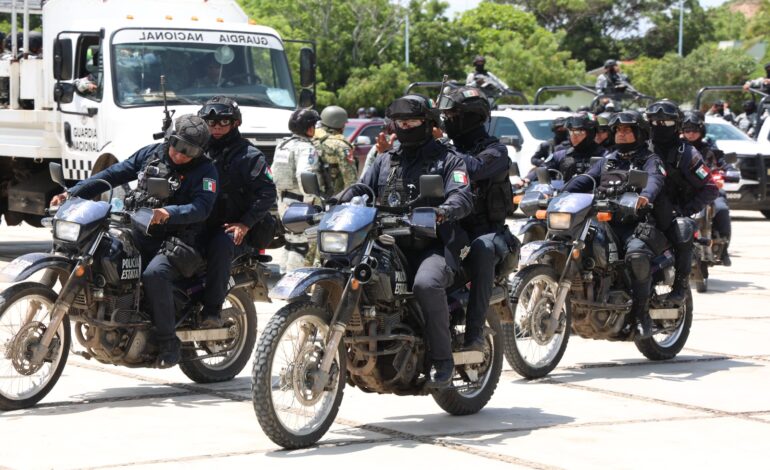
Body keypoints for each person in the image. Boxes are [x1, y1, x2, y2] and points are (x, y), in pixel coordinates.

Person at [50, 115, 218, 367]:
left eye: (190, 151)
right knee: (103, 255)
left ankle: (168, 342)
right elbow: (113, 174)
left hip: (179, 238)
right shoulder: (152, 154)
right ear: (170, 138)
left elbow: (202, 207)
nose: (180, 154)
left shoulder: (206, 171)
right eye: (178, 145)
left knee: (154, 275)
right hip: (138, 230)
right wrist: (71, 193)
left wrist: (170, 213)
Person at [349, 94, 473, 388]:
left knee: (425, 285)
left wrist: (443, 212)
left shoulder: (447, 159)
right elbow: (363, 188)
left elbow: (462, 195)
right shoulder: (385, 159)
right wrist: (340, 198)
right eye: (400, 121)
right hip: (388, 242)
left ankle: (443, 360)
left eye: (412, 121)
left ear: (428, 123)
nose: (405, 126)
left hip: (433, 244)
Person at [564, 111, 666, 338]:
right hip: (605, 220)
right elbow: (587, 179)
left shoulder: (650, 159)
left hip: (635, 222)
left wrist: (645, 196)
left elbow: (655, 180)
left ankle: (641, 315)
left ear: (639, 133)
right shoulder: (608, 159)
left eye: (627, 130)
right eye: (618, 130)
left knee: (636, 255)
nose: (621, 134)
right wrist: (560, 191)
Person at [438, 86, 517, 351]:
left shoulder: (496, 152)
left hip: (486, 231)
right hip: (449, 225)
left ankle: (475, 334)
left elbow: (471, 168)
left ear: (470, 117)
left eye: (452, 116)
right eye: (444, 116)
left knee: (482, 251)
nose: (446, 122)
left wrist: (435, 147)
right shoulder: (445, 149)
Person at [198, 96, 276, 328]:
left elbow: (267, 194)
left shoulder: (249, 156)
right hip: (200, 220)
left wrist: (245, 223)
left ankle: (212, 311)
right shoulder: (197, 150)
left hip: (234, 227)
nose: (217, 128)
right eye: (211, 123)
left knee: (222, 245)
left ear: (235, 123)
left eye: (223, 122)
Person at [645, 100, 719, 306]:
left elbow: (710, 188)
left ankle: (680, 287)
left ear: (676, 125)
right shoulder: (641, 148)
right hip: (638, 210)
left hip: (670, 214)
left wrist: (684, 210)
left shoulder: (686, 153)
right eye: (655, 122)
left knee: (683, 230)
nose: (659, 127)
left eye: (666, 123)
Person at [273, 107, 322, 272]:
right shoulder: (306, 148)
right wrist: (311, 199)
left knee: (290, 240)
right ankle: (294, 282)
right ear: (309, 128)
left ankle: (283, 275)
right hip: (299, 201)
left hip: (283, 200)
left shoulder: (283, 145)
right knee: (301, 244)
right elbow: (304, 173)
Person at [681, 111, 734, 266]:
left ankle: (723, 248)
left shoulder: (709, 148)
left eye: (695, 130)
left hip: (709, 188)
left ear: (701, 129)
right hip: (685, 190)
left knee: (722, 208)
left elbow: (722, 163)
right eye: (687, 130)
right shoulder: (679, 148)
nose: (691, 134)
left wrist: (728, 171)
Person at [522, 113, 607, 185]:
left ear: (590, 133)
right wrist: (527, 179)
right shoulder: (561, 155)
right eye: (571, 131)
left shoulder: (605, 155)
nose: (573, 136)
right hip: (564, 199)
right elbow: (543, 168)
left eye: (578, 131)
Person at [313, 105, 356, 196]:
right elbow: (350, 179)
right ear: (340, 124)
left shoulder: (311, 139)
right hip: (334, 200)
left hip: (311, 197)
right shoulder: (341, 146)